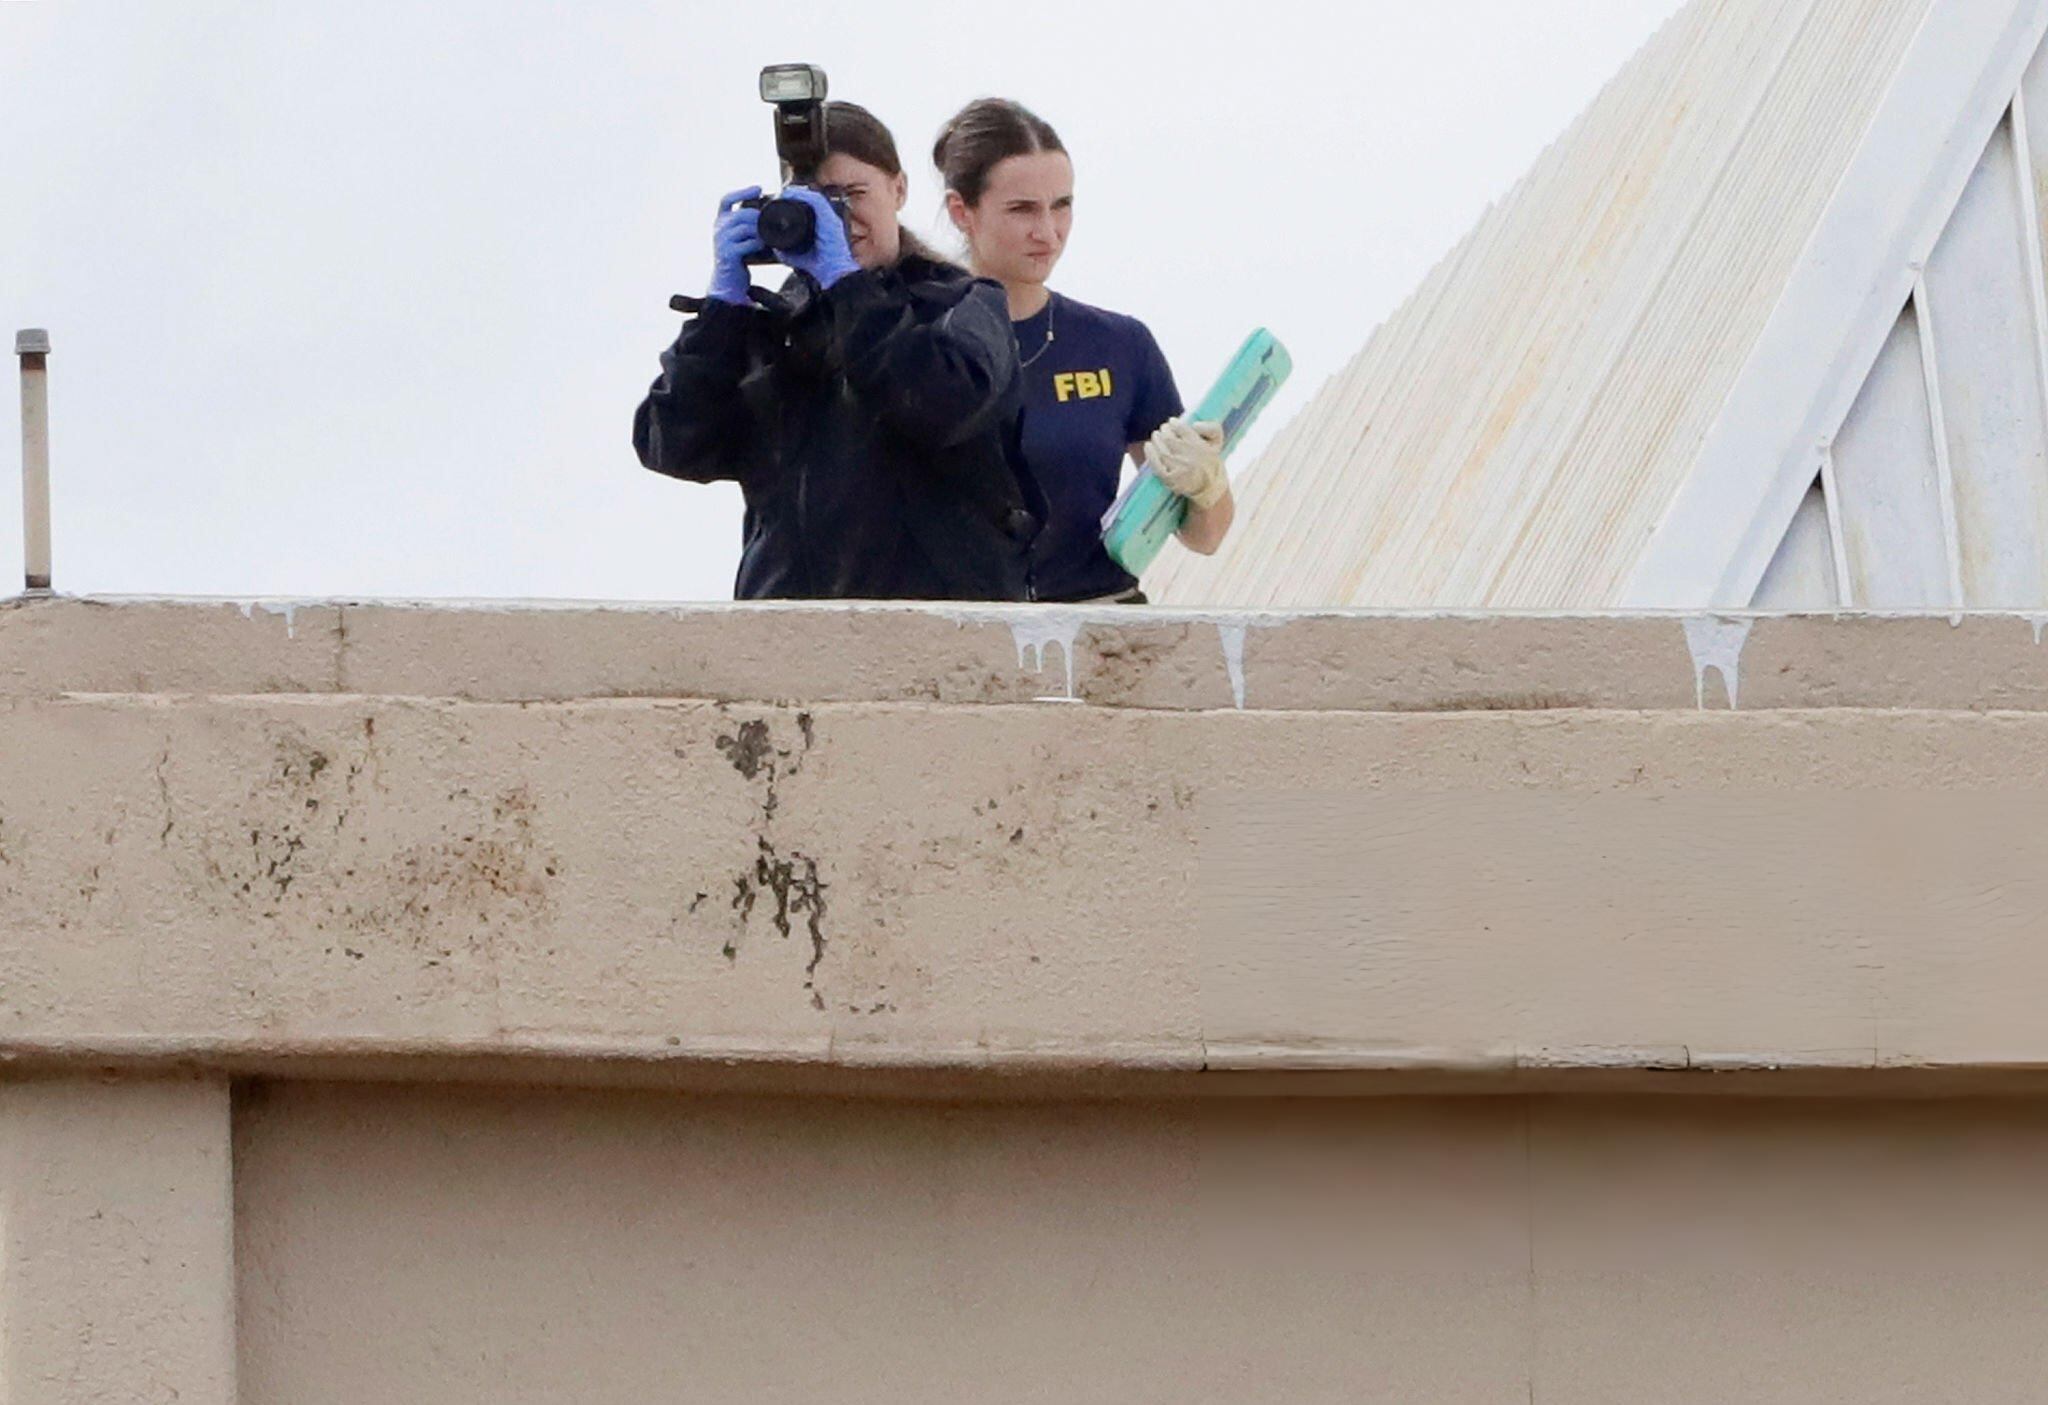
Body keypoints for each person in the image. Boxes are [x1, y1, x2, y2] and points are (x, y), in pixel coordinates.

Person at [634, 102, 1043, 601]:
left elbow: (943, 406)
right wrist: (722, 311)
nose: (840, 219)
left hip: (939, 637)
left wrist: (846, 289)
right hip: (792, 642)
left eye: (852, 195)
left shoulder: (964, 303)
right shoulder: (776, 329)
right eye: (818, 205)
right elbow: (672, 445)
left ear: (899, 188)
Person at [933, 98, 1232, 605]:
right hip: (965, 643)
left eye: (1062, 205)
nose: (1047, 232)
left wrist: (1206, 485)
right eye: (1022, 209)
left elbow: (1204, 537)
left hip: (1104, 638)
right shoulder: (918, 344)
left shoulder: (1120, 344)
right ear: (963, 211)